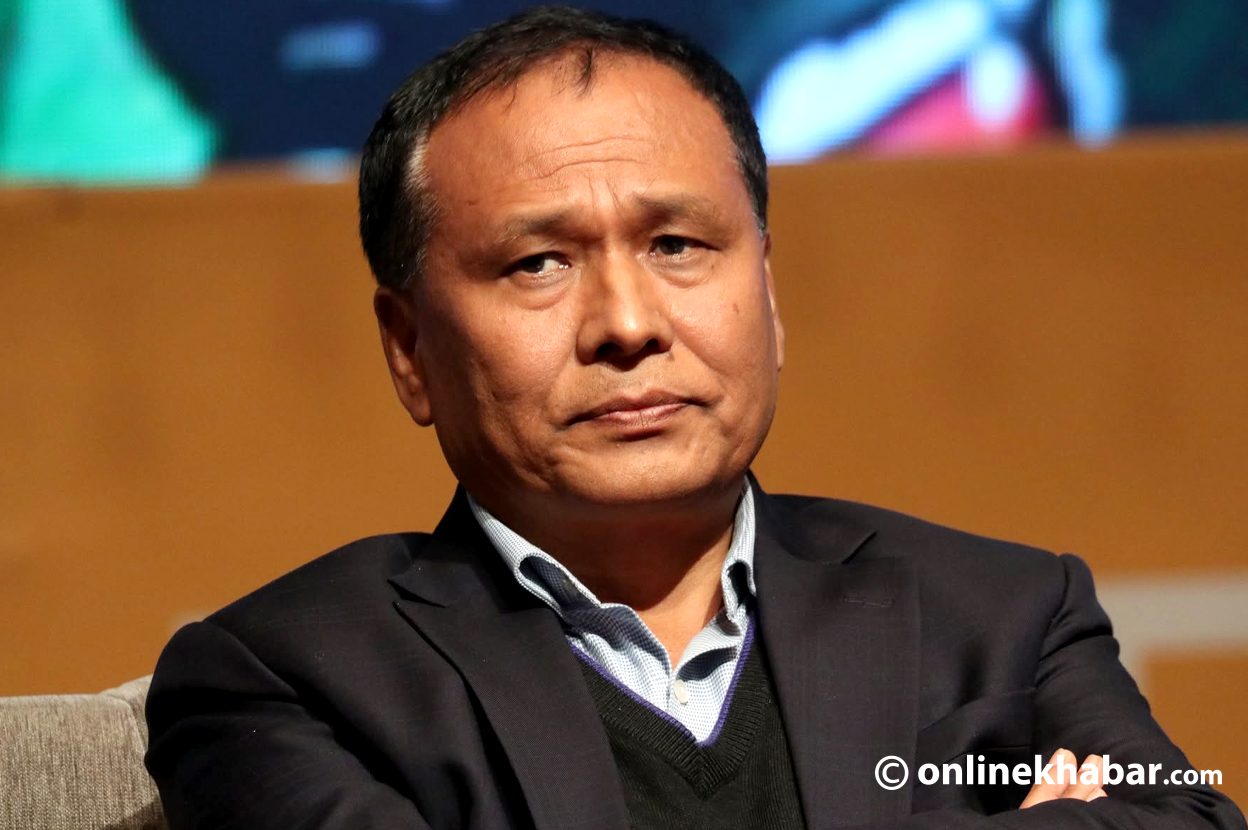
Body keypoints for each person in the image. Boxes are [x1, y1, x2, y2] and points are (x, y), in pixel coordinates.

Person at [144, 6, 1245, 830]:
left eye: (677, 246)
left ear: (766, 294)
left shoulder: (1006, 614)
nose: (628, 324)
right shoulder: (284, 680)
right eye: (538, 263)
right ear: (409, 350)